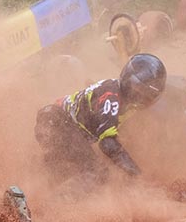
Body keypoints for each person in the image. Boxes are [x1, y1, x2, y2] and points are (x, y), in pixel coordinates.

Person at [35, 53, 167, 184]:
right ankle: (56, 202)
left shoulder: (118, 93)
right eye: (139, 88)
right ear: (128, 78)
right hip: (55, 121)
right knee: (96, 174)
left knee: (72, 169)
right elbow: (107, 144)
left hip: (56, 122)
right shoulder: (112, 97)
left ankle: (43, 182)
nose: (142, 96)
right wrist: (137, 176)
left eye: (148, 94)